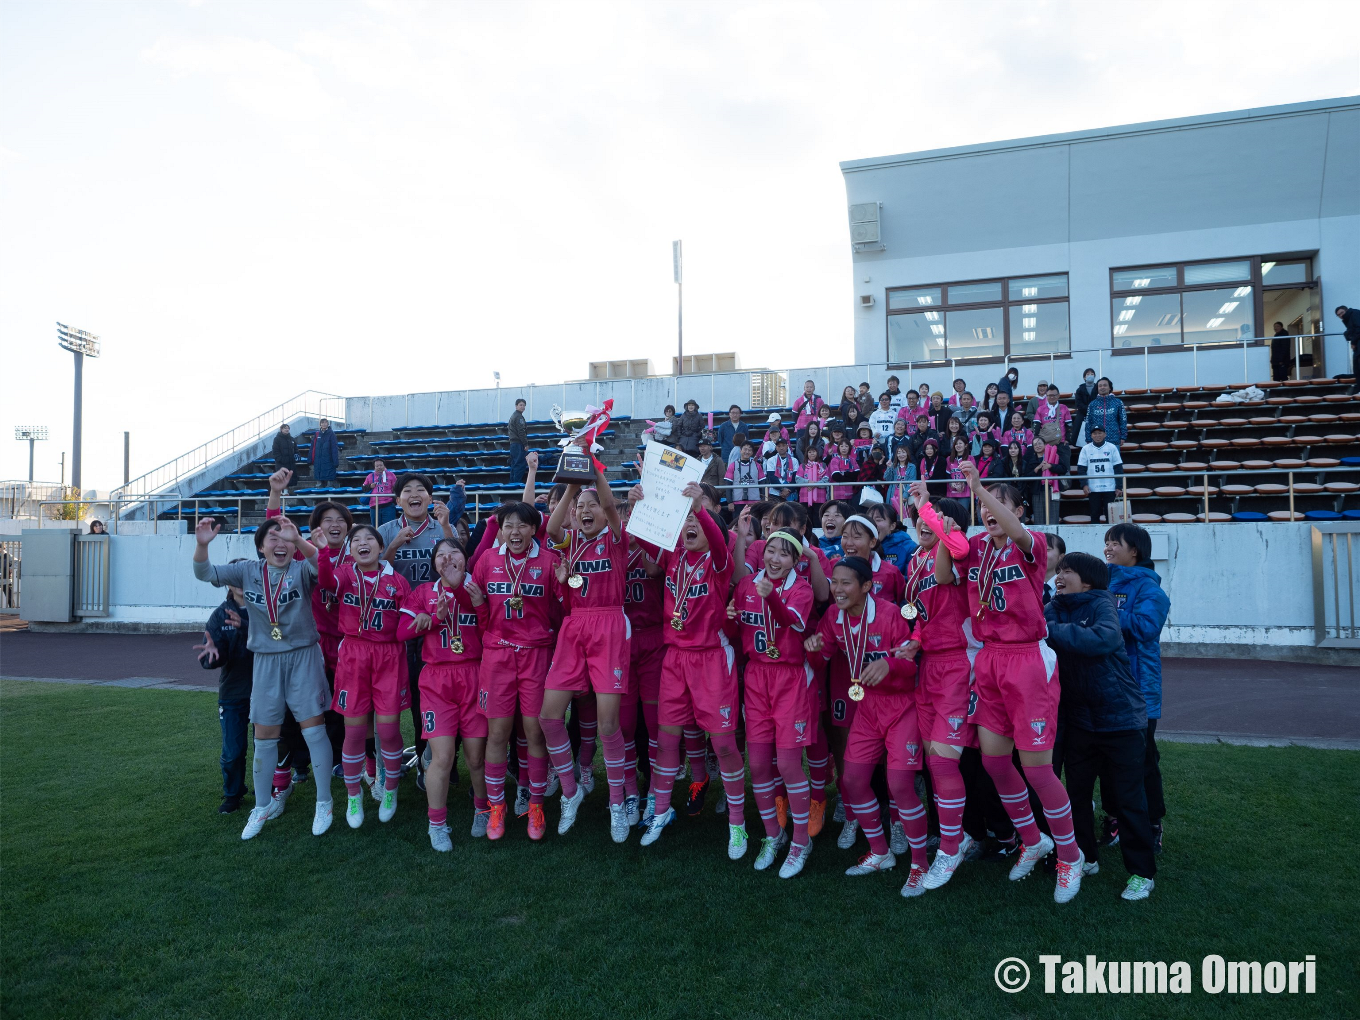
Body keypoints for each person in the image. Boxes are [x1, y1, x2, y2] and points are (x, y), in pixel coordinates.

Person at [958, 461, 1084, 902]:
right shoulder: (976, 547)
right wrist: (927, 510)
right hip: (989, 658)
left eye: (1000, 503)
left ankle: (1070, 856)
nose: (988, 510)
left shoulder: (1032, 543)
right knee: (995, 763)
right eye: (984, 504)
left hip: (1027, 659)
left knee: (1038, 770)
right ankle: (1033, 841)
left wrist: (979, 488)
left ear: (1019, 511)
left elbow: (1013, 530)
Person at [193, 515, 335, 840]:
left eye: (286, 538)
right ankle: (261, 805)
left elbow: (323, 570)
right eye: (273, 537)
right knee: (265, 736)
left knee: (314, 730)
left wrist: (300, 540)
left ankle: (324, 802)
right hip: (266, 660)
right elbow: (204, 572)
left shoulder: (301, 568)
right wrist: (202, 545)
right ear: (260, 547)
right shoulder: (247, 571)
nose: (280, 543)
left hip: (303, 656)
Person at [635, 482, 747, 857]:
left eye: (696, 521)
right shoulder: (674, 556)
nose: (689, 525)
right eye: (685, 521)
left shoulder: (719, 561)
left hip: (712, 658)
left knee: (724, 744)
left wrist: (700, 508)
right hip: (675, 658)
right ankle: (661, 813)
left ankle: (737, 824)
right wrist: (640, 505)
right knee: (668, 740)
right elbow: (644, 538)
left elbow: (718, 539)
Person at [805, 558, 930, 895]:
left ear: (866, 586)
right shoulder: (834, 616)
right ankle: (880, 852)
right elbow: (821, 659)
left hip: (902, 706)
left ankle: (920, 864)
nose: (837, 589)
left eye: (845, 583)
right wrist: (814, 649)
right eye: (834, 582)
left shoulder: (891, 614)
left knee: (900, 785)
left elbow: (912, 665)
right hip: (868, 706)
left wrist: (890, 664)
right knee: (853, 780)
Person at [1046, 552, 1157, 901]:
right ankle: (1086, 857)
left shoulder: (1102, 603)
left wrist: (1049, 631)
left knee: (1128, 799)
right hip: (1080, 721)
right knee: (1076, 796)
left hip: (1121, 720)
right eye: (1058, 571)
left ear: (1088, 582)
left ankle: (1141, 873)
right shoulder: (1053, 607)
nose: (1059, 576)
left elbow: (1103, 639)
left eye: (1067, 571)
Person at [541, 464, 638, 841]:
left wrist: (594, 471)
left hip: (609, 624)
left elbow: (612, 506)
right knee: (549, 716)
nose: (584, 510)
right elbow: (551, 530)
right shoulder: (570, 541)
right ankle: (571, 791)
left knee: (608, 724)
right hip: (575, 626)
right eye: (579, 507)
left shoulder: (616, 537)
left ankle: (617, 803)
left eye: (590, 505)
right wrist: (571, 485)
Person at [472, 501, 564, 840]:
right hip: (497, 657)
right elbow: (478, 608)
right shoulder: (487, 560)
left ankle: (535, 805)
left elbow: (565, 611)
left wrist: (566, 584)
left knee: (534, 733)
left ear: (533, 529)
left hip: (536, 655)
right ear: (500, 530)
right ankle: (497, 807)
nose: (515, 531)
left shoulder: (549, 561)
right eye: (508, 525)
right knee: (497, 735)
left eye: (522, 525)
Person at [728, 530, 817, 877]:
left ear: (795, 560)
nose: (774, 559)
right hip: (756, 678)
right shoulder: (747, 584)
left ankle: (800, 842)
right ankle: (773, 835)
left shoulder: (801, 589)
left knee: (790, 766)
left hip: (790, 680)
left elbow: (790, 621)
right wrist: (729, 615)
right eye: (770, 551)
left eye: (783, 554)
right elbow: (737, 630)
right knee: (760, 764)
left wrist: (771, 598)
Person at [902, 486, 977, 889]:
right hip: (927, 665)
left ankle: (950, 849)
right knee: (934, 762)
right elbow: (920, 614)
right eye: (920, 518)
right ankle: (957, 837)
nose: (923, 522)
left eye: (932, 517)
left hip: (956, 665)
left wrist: (933, 513)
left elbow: (949, 571)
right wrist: (914, 640)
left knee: (946, 763)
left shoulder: (958, 551)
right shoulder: (916, 558)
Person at [395, 538, 490, 849]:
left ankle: (482, 810)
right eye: (441, 555)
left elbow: (491, 630)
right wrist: (431, 619)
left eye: (454, 553)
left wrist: (476, 602)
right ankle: (436, 824)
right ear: (433, 563)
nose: (447, 559)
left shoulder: (478, 587)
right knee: (442, 756)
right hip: (437, 679)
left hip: (475, 675)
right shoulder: (424, 592)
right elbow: (401, 632)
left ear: (465, 559)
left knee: (476, 757)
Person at [315, 524, 412, 828]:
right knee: (355, 733)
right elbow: (326, 581)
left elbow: (407, 623)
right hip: (354, 656)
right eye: (355, 540)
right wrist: (322, 552)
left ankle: (390, 790)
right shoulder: (345, 573)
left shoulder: (397, 581)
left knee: (388, 731)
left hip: (388, 657)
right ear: (350, 549)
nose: (362, 542)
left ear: (381, 548)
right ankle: (353, 795)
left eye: (369, 538)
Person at [379, 473, 456, 779]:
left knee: (439, 693)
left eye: (420, 490)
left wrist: (447, 526)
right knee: (410, 692)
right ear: (398, 500)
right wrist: (394, 545)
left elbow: (458, 565)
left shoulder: (442, 527)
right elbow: (376, 572)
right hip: (401, 623)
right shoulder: (386, 530)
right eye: (407, 490)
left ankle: (441, 762)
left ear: (430, 498)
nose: (414, 494)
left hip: (438, 620)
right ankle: (417, 762)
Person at [1104, 523, 1170, 854]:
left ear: (1135, 551)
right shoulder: (1103, 582)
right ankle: (1114, 818)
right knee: (1107, 758)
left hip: (1139, 690)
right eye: (1106, 542)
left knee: (1142, 759)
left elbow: (1145, 627)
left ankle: (1152, 823)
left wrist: (1106, 615)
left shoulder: (1150, 589)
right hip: (1104, 684)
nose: (1108, 547)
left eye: (1115, 543)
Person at [195, 565, 253, 814]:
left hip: (267, 688)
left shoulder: (266, 608)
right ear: (227, 582)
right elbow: (211, 657)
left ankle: (272, 788)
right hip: (233, 692)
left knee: (268, 745)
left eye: (244, 576)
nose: (239, 582)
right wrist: (213, 656)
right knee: (232, 750)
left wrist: (246, 626)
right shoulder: (220, 615)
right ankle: (233, 794)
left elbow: (277, 637)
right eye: (233, 577)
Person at [1079, 426, 1124, 523]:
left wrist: (1119, 486)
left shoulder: (1112, 447)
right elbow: (1081, 469)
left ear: (1105, 434)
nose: (1097, 435)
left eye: (1100, 433)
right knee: (1094, 514)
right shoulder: (1085, 449)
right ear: (1091, 435)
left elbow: (1118, 468)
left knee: (1111, 515)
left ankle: (1111, 533)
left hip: (1110, 487)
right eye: (1095, 433)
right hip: (1093, 488)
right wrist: (1084, 485)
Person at [865, 501, 916, 573]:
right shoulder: (862, 545)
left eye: (878, 520)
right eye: (870, 520)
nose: (873, 524)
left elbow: (912, 577)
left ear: (892, 526)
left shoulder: (909, 547)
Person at [1026, 435, 1062, 527]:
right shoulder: (1031, 460)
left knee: (1053, 518)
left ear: (1045, 445)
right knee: (1039, 519)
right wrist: (1038, 468)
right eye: (1035, 445)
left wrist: (1051, 466)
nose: (1037, 446)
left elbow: (1063, 469)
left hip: (1052, 490)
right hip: (1037, 491)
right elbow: (1027, 477)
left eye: (1039, 444)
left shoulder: (1054, 455)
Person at [1082, 377, 1127, 446]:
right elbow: (1088, 422)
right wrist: (1088, 439)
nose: (1102, 387)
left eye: (1105, 385)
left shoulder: (1118, 402)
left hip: (1114, 440)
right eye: (1100, 386)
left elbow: (1123, 420)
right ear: (1097, 388)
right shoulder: (1092, 404)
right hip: (1096, 441)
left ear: (1109, 388)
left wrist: (1123, 436)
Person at [725, 440, 764, 509]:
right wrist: (729, 502)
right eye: (745, 449)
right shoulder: (733, 465)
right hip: (737, 501)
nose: (747, 452)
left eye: (749, 450)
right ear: (740, 450)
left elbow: (762, 484)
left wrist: (763, 500)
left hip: (754, 502)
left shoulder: (757, 465)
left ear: (752, 452)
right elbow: (728, 484)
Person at [362, 459, 398, 526]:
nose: (379, 467)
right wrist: (370, 486)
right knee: (376, 528)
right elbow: (364, 488)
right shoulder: (370, 476)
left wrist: (394, 501)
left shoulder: (391, 475)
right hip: (374, 506)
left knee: (389, 527)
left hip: (388, 505)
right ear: (374, 467)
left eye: (381, 465)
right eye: (377, 466)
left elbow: (396, 487)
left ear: (384, 465)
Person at [764, 437, 799, 501]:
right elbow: (772, 477)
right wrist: (782, 489)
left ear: (787, 446)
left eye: (783, 445)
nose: (781, 448)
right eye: (779, 446)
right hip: (775, 493)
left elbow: (795, 477)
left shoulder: (794, 460)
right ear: (776, 448)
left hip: (790, 493)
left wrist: (789, 490)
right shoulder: (771, 460)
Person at [1336, 305, 1360, 394]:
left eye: (1342, 313)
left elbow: (1358, 329)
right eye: (1339, 315)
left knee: (1357, 367)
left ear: (1346, 310)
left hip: (1358, 344)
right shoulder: (1351, 316)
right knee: (1357, 368)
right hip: (1357, 345)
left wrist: (1353, 342)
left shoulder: (1354, 314)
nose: (1341, 315)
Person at [796, 443, 829, 508]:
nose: (812, 454)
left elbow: (826, 480)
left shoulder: (823, 466)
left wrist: (815, 484)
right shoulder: (803, 466)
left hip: (820, 498)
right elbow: (798, 479)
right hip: (805, 497)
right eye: (810, 452)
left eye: (814, 451)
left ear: (817, 453)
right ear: (807, 454)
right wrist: (808, 482)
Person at [1071, 368, 1098, 446]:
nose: (1090, 376)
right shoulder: (1079, 389)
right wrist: (1089, 409)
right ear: (1084, 377)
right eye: (1088, 374)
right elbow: (1078, 404)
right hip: (1082, 415)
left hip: (1096, 414)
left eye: (1092, 374)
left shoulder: (1098, 388)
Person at [310, 419, 339, 488]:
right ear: (320, 424)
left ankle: (329, 486)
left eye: (326, 423)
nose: (324, 424)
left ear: (328, 424)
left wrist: (335, 461)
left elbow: (334, 448)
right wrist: (310, 459)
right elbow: (313, 447)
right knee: (319, 475)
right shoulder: (317, 434)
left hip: (328, 459)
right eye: (322, 423)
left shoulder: (331, 434)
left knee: (329, 475)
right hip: (318, 459)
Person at [507, 398, 529, 486]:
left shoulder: (514, 415)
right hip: (518, 444)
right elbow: (521, 432)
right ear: (516, 406)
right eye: (520, 405)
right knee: (519, 464)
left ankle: (512, 484)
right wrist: (525, 444)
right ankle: (516, 484)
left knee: (514, 464)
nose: (522, 407)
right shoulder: (519, 417)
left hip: (513, 444)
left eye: (524, 405)